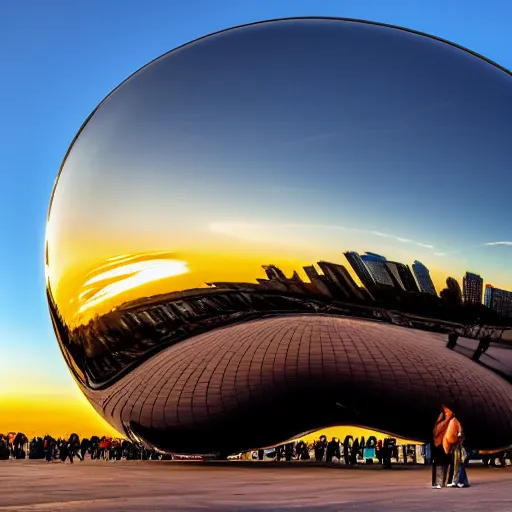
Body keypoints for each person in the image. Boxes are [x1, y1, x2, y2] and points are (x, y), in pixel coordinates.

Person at [431, 404, 462, 488]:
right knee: (442, 464)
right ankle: (441, 482)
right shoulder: (448, 422)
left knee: (443, 464)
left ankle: (441, 482)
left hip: (442, 446)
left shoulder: (449, 422)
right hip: (442, 446)